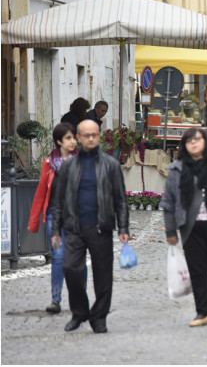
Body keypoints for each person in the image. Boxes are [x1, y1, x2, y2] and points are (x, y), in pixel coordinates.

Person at [51, 120, 129, 334]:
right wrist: (56, 230)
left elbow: (120, 199)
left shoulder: (110, 165)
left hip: (100, 227)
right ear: (78, 137)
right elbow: (58, 200)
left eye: (95, 134)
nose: (91, 138)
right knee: (70, 268)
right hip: (75, 227)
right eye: (86, 135)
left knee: (103, 276)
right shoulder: (69, 166)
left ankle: (99, 317)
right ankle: (80, 312)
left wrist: (123, 227)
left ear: (99, 135)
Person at [161, 128, 207, 327]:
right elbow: (168, 202)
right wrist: (170, 231)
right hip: (190, 227)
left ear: (205, 142)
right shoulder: (177, 169)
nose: (193, 143)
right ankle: (202, 313)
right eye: (189, 141)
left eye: (197, 139)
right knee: (197, 271)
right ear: (184, 145)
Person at [28, 122, 86, 314]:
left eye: (73, 137)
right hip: (54, 215)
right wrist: (34, 221)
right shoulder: (48, 164)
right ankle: (55, 300)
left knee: (77, 259)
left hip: (77, 218)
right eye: (68, 138)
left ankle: (80, 298)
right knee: (58, 257)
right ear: (59, 141)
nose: (72, 141)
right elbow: (41, 192)